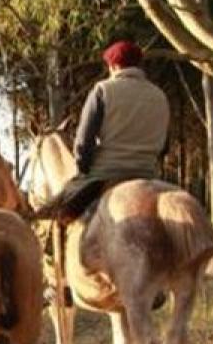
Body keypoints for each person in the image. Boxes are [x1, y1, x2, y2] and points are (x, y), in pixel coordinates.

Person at [34, 40, 170, 223]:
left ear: (113, 65)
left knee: (59, 212)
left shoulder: (103, 90)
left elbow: (83, 142)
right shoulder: (160, 96)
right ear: (139, 65)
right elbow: (164, 146)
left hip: (105, 173)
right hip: (148, 173)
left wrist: (83, 169)